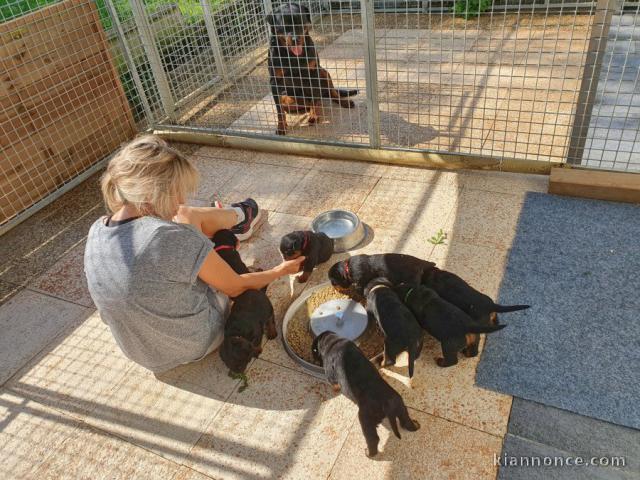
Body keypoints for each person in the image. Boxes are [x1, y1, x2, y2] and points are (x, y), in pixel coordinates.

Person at [84, 135, 305, 373]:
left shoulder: (98, 229)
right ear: (152, 194)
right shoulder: (166, 238)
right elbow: (237, 287)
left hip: (142, 352)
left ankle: (238, 220)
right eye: (177, 192)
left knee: (185, 217)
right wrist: (280, 271)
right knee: (187, 216)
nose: (181, 199)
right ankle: (240, 217)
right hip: (195, 343)